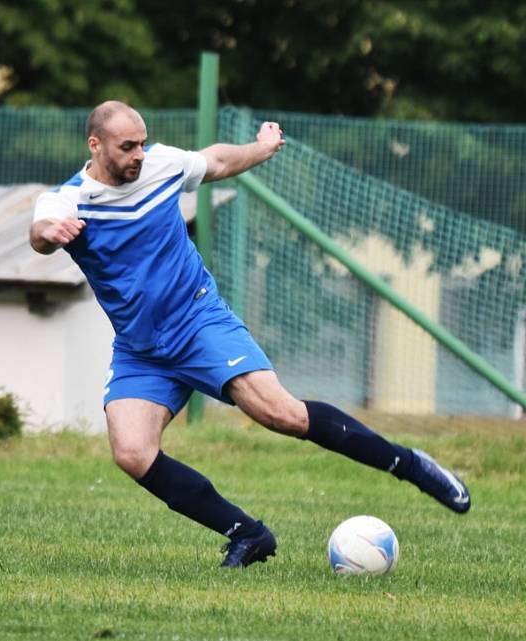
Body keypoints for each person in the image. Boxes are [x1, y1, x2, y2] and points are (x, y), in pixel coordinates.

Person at [29, 101, 471, 568]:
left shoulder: (160, 165)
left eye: (141, 142)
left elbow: (217, 160)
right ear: (95, 145)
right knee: (133, 453)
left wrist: (260, 148)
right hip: (142, 349)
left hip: (198, 322)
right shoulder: (70, 201)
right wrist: (50, 232)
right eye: (127, 146)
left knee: (283, 414)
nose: (139, 154)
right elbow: (39, 231)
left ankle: (413, 466)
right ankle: (248, 533)